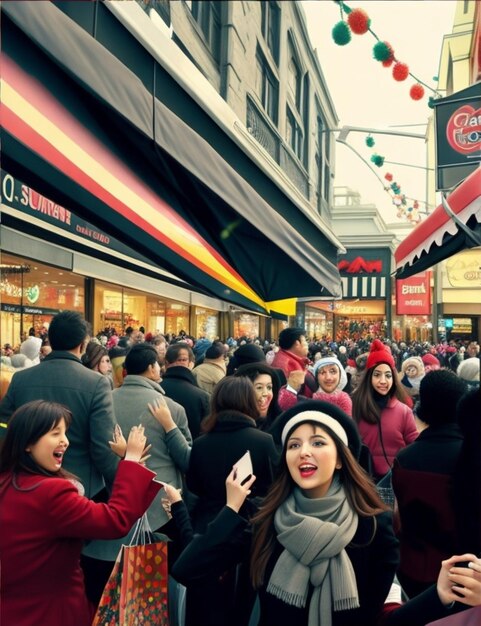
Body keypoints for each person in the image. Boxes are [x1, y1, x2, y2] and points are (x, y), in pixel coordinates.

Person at [173, 400, 399, 626]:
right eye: (294, 445)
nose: (304, 452)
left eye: (318, 442)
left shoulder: (372, 524)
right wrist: (231, 509)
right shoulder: (266, 517)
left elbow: (371, 612)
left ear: (340, 458)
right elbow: (188, 569)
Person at [0, 400, 161, 626]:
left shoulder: (8, 483)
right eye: (55, 433)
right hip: (54, 612)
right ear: (28, 442)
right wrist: (131, 461)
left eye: (65, 433)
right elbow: (115, 520)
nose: (65, 441)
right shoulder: (51, 492)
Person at [81, 342, 192, 604]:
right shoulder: (171, 409)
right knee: (146, 599)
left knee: (101, 601)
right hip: (157, 514)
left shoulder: (101, 402)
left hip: (103, 511)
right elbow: (188, 461)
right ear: (153, 369)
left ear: (124, 372)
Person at [0, 311, 119, 498]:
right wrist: (118, 482)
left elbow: (5, 427)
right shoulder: (96, 383)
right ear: (83, 345)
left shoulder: (21, 378)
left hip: (27, 482)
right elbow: (103, 446)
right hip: (80, 488)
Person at [392, 369, 467, 598]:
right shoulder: (472, 455)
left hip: (413, 568)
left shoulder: (404, 459)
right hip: (464, 574)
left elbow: (399, 520)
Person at [352, 339, 417, 481]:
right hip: (363, 481)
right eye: (377, 375)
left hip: (396, 481)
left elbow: (413, 445)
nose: (383, 381)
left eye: (388, 375)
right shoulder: (355, 406)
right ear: (369, 377)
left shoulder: (404, 411)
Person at [161, 343, 210, 439]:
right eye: (181, 360)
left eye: (182, 359)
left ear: (166, 363)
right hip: (192, 448)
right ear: (191, 363)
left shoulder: (154, 390)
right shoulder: (202, 396)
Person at [278, 356, 352, 416]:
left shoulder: (343, 400)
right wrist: (291, 388)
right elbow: (285, 405)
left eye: (333, 371)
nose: (328, 377)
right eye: (322, 372)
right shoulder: (307, 395)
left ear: (340, 375)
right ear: (316, 377)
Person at [271, 327, 316, 397]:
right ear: (297, 343)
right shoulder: (287, 364)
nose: (308, 344)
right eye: (305, 341)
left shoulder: (287, 358)